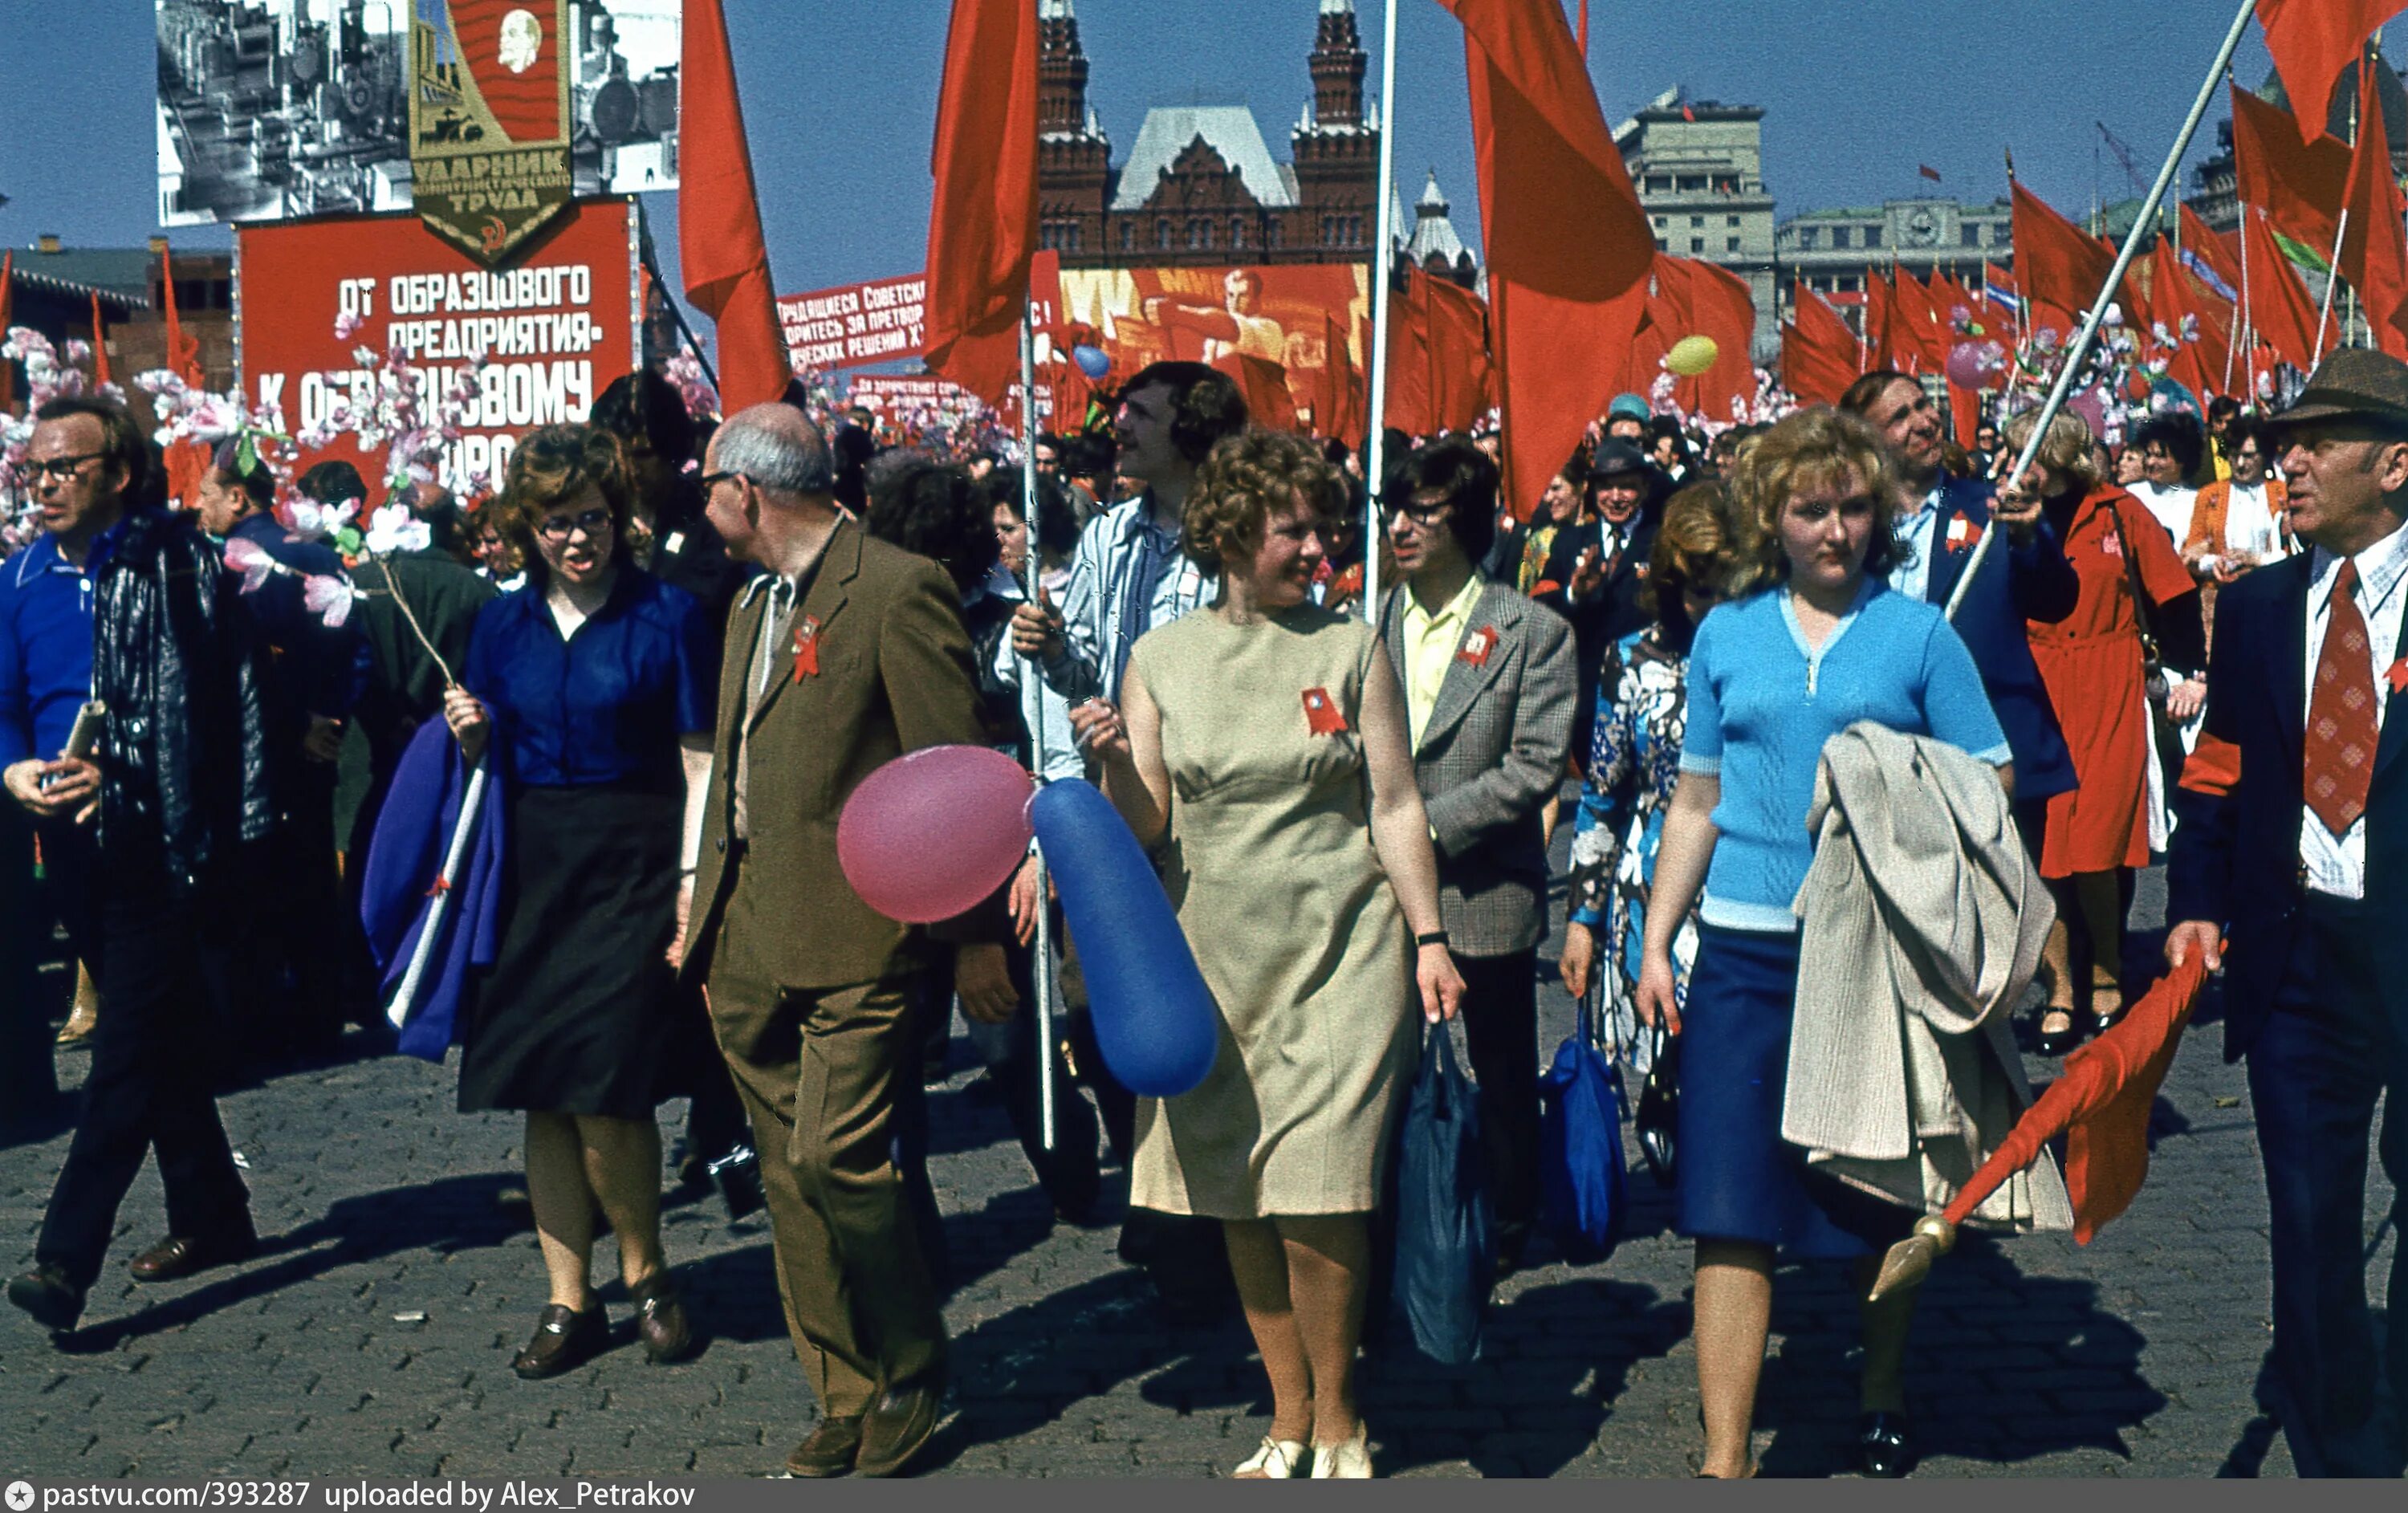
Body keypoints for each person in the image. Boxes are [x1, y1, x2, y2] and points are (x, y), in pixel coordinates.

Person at [1073, 429, 1464, 1478]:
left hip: (1342, 954)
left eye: (1320, 526)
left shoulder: (1351, 647)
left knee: (1323, 1188)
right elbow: (1148, 825)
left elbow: (1394, 806)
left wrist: (1429, 936)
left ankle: (1342, 1413)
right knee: (1239, 1190)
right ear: (1230, 533)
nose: (1316, 546)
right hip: (1211, 962)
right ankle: (1286, 1413)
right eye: (1290, 527)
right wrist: (1111, 759)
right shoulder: (1161, 658)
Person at [1634, 407, 2015, 1480]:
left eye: (1854, 506)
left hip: (1869, 958)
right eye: (1812, 509)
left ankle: (1880, 1382)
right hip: (1744, 952)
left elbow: (1991, 776)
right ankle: (1725, 1455)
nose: (1836, 529)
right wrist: (1658, 938)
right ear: (1774, 515)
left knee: (1874, 1192)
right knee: (1727, 1205)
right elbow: (1696, 797)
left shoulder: (1919, 633)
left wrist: (1888, 788)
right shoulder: (1727, 634)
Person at [681, 405, 1018, 1479]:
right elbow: (732, 769)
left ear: (751, 492)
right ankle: (846, 1390)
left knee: (839, 1157)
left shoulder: (895, 587)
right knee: (786, 1175)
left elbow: (953, 777)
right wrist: (699, 911)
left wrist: (969, 936)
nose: (702, 505)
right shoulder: (749, 605)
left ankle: (915, 1370)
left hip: (862, 939)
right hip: (746, 937)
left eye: (708, 484)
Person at [2166, 348, 2408, 1478]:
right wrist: (2197, 903)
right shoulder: (2260, 604)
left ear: (2396, 463)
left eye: (2317, 441)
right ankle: (2339, 1443)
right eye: (2282, 440)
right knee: (2310, 1220)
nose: (2286, 460)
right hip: (2296, 956)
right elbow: (2216, 770)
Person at [438, 424, 711, 1379]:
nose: (576, 539)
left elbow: (699, 756)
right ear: (527, 528)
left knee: (605, 1086)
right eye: (555, 523)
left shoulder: (667, 614)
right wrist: (471, 736)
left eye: (591, 517)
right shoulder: (500, 623)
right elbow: (483, 759)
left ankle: (649, 1275)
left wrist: (689, 880)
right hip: (529, 868)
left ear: (621, 516)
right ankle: (569, 1298)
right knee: (540, 1092)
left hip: (633, 861)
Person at [6, 397, 272, 1334]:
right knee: (163, 1034)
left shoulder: (178, 567)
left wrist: (130, 774)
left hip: (163, 838)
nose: (41, 485)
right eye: (32, 470)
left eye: (62, 468)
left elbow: (221, 706)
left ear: (117, 473)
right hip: (70, 840)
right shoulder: (22, 576)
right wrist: (17, 769)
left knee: (122, 1050)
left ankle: (63, 1258)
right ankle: (215, 1211)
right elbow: (3, 701)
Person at [1007, 360, 1250, 1322]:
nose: (1117, 428)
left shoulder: (1230, 536)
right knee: (1099, 1016)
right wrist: (1049, 646)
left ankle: (1210, 1212)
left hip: (1205, 811)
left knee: (1213, 1015)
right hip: (1110, 802)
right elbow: (1088, 672)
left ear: (1189, 429)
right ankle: (1154, 1185)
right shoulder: (1109, 533)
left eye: (1138, 414)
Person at [1377, 436, 1576, 1270]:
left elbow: (1532, 767)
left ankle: (1509, 1214)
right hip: (1386, 886)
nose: (1400, 527)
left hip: (1483, 881)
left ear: (1465, 519)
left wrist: (1420, 823)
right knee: (1388, 1053)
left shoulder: (1532, 630)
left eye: (1421, 511)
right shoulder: (1374, 621)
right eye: (1393, 509)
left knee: (1496, 1061)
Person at [2003, 409, 2204, 1054]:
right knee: (2042, 842)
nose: (2018, 463)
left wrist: (2192, 672)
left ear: (2059, 456)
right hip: (2036, 684)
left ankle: (2106, 971)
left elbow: (2171, 594)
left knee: (2096, 835)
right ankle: (2060, 986)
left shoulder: (2118, 511)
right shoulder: (2005, 515)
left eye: (2028, 451)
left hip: (2108, 679)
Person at [1840, 372, 2081, 908]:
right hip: (1887, 743)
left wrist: (2028, 538)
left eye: (1924, 406)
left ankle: (2061, 986)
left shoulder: (1989, 508)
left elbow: (2057, 599)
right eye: (1899, 417)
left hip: (1988, 742)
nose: (1924, 421)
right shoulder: (1850, 526)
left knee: (2007, 906)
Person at [194, 441, 367, 1061]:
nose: (198, 506)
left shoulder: (229, 566)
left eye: (208, 495)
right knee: (314, 873)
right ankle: (319, 1013)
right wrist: (331, 716)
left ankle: (265, 1020)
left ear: (238, 497)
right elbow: (356, 645)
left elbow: (232, 668)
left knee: (259, 881)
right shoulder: (321, 554)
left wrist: (295, 720)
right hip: (317, 742)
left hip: (257, 751)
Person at [1558, 484, 1741, 1058]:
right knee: (1665, 1087)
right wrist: (1582, 918)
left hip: (1747, 885)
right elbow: (1601, 797)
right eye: (1700, 592)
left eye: (1729, 591)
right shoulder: (1631, 659)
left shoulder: (1769, 655)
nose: (1715, 609)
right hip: (1653, 891)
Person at [1533, 438, 1661, 779]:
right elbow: (1539, 612)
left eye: (1627, 488)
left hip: (1647, 694)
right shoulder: (1569, 541)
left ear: (1644, 489)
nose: (1616, 497)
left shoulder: (1662, 542)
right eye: (1606, 487)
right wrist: (1574, 593)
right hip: (1586, 698)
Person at [2126, 412, 2209, 542]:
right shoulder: (2132, 494)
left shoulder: (2197, 500)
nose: (2150, 462)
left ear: (2181, 460)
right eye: (2149, 455)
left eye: (2160, 456)